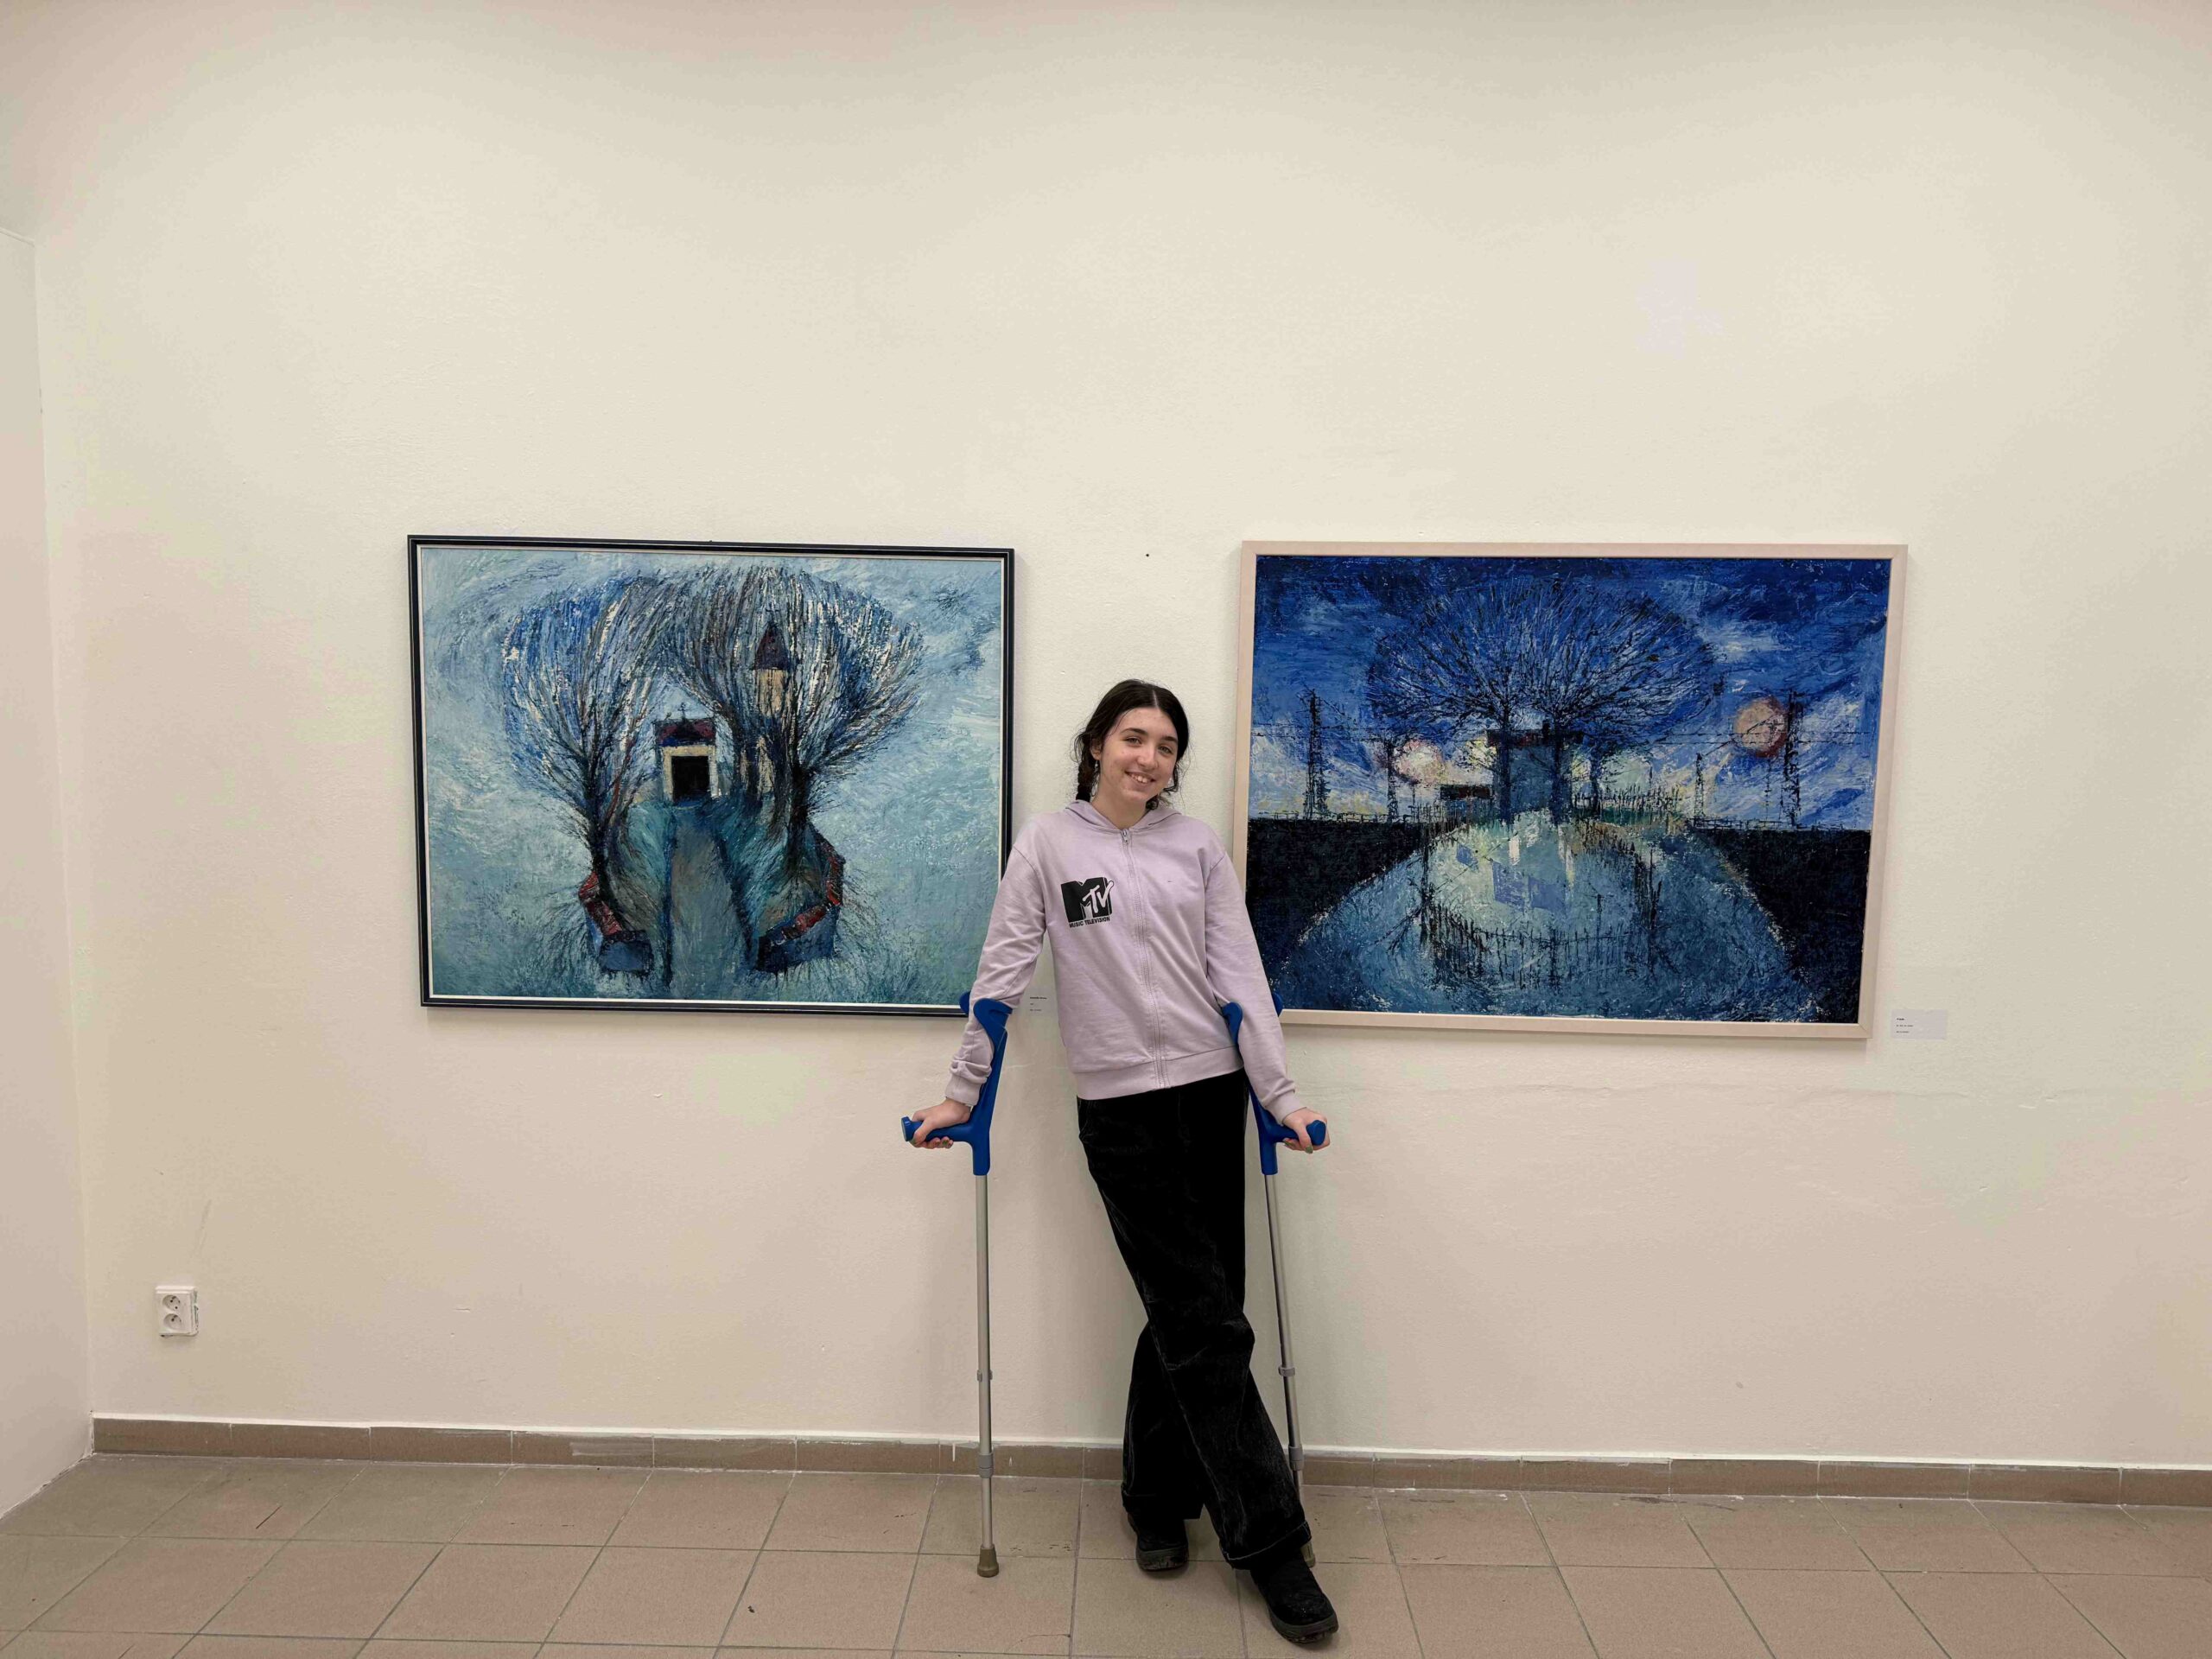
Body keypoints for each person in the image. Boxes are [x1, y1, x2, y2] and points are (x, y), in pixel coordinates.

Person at [908, 679, 1338, 1643]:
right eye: (1133, 738)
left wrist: (1281, 1097)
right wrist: (962, 1094)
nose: (1149, 758)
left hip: (1210, 1095)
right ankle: (1272, 1545)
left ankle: (1154, 1498)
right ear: (1097, 743)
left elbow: (1240, 977)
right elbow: (1000, 976)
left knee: (1193, 1314)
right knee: (1208, 1325)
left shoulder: (1196, 848)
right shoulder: (1047, 846)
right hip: (1121, 1113)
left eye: (1166, 745)